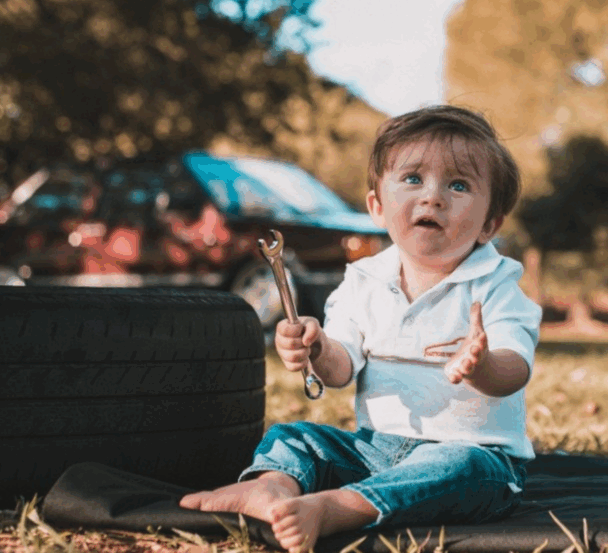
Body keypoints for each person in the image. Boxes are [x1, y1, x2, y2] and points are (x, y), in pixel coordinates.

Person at [179, 105, 542, 553]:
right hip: (374, 450)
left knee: (461, 468)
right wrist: (316, 348)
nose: (433, 197)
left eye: (459, 185)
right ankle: (270, 487)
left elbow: (515, 369)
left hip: (475, 452)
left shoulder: (498, 284)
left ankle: (340, 508)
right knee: (294, 437)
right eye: (413, 179)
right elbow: (340, 367)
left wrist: (482, 364)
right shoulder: (362, 281)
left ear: (489, 224)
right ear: (376, 206)